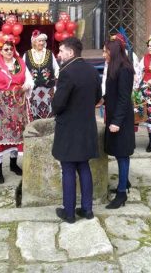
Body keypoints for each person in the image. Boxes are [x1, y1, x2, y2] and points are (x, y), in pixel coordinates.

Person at [52, 37, 102, 224]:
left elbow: (58, 104)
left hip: (69, 129)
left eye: (61, 51)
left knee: (68, 168)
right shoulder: (92, 70)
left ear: (71, 52)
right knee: (84, 166)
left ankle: (69, 213)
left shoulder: (67, 72)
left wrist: (55, 105)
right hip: (87, 126)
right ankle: (87, 210)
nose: (59, 54)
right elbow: (97, 97)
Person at [0, 35, 34, 184]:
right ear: (0, 51)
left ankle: (13, 164)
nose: (9, 51)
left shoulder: (20, 63)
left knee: (17, 134)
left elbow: (29, 79)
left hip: (18, 105)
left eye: (11, 48)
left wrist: (27, 85)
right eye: (6, 49)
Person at [102, 38, 135, 209]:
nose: (103, 55)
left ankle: (122, 193)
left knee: (122, 154)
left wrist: (116, 122)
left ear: (113, 52)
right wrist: (102, 100)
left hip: (121, 119)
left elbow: (124, 98)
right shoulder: (113, 67)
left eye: (105, 51)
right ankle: (125, 182)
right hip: (114, 115)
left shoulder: (125, 70)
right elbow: (112, 92)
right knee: (117, 151)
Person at [23, 30, 59, 119]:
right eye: (39, 41)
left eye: (43, 41)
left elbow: (56, 68)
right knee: (34, 114)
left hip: (48, 90)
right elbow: (23, 70)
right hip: (33, 91)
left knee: (50, 114)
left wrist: (58, 81)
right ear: (34, 42)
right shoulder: (27, 54)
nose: (42, 43)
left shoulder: (49, 53)